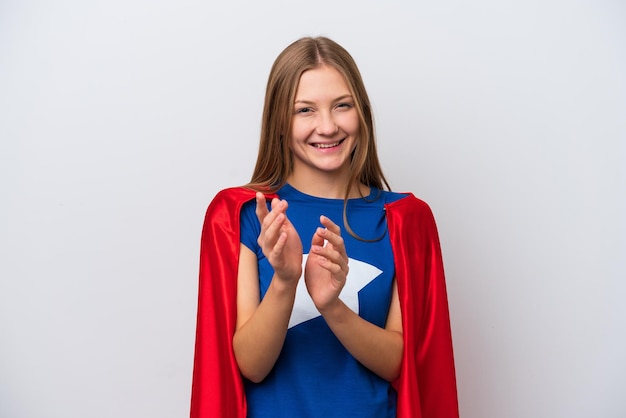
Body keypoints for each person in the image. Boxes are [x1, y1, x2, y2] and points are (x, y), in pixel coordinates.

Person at [190, 36, 458, 418]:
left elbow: (402, 364)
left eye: (342, 106)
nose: (328, 126)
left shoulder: (405, 220)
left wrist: (332, 305)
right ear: (280, 121)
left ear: (361, 111)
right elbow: (250, 365)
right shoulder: (246, 215)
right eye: (305, 110)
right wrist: (285, 281)